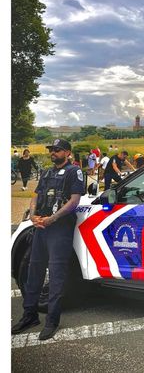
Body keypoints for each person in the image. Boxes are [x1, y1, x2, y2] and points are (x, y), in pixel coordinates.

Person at [11, 139, 84, 341]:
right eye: (51, 150)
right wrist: (33, 216)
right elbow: (36, 195)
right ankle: (30, 316)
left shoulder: (73, 172)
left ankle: (52, 320)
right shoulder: (47, 172)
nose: (53, 153)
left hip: (59, 229)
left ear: (67, 153)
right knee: (34, 272)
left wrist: (53, 218)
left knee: (57, 275)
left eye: (57, 150)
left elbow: (74, 200)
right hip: (41, 227)